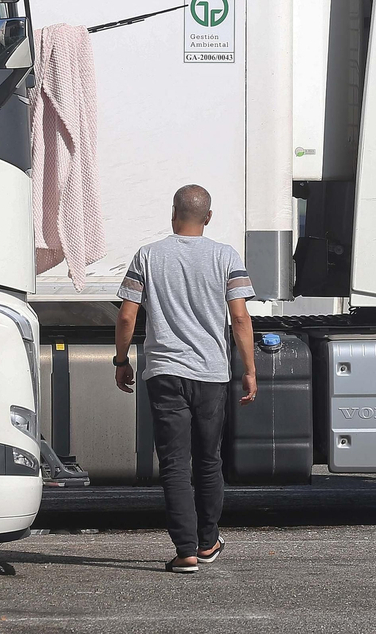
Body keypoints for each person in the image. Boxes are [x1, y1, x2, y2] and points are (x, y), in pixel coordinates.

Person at [114, 184, 256, 574]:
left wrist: (121, 359)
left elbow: (127, 316)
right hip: (211, 373)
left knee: (175, 463)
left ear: (172, 212)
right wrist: (249, 369)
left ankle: (186, 551)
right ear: (208, 217)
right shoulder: (226, 256)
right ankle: (207, 542)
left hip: (164, 372)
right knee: (208, 460)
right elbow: (240, 318)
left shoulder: (148, 255)